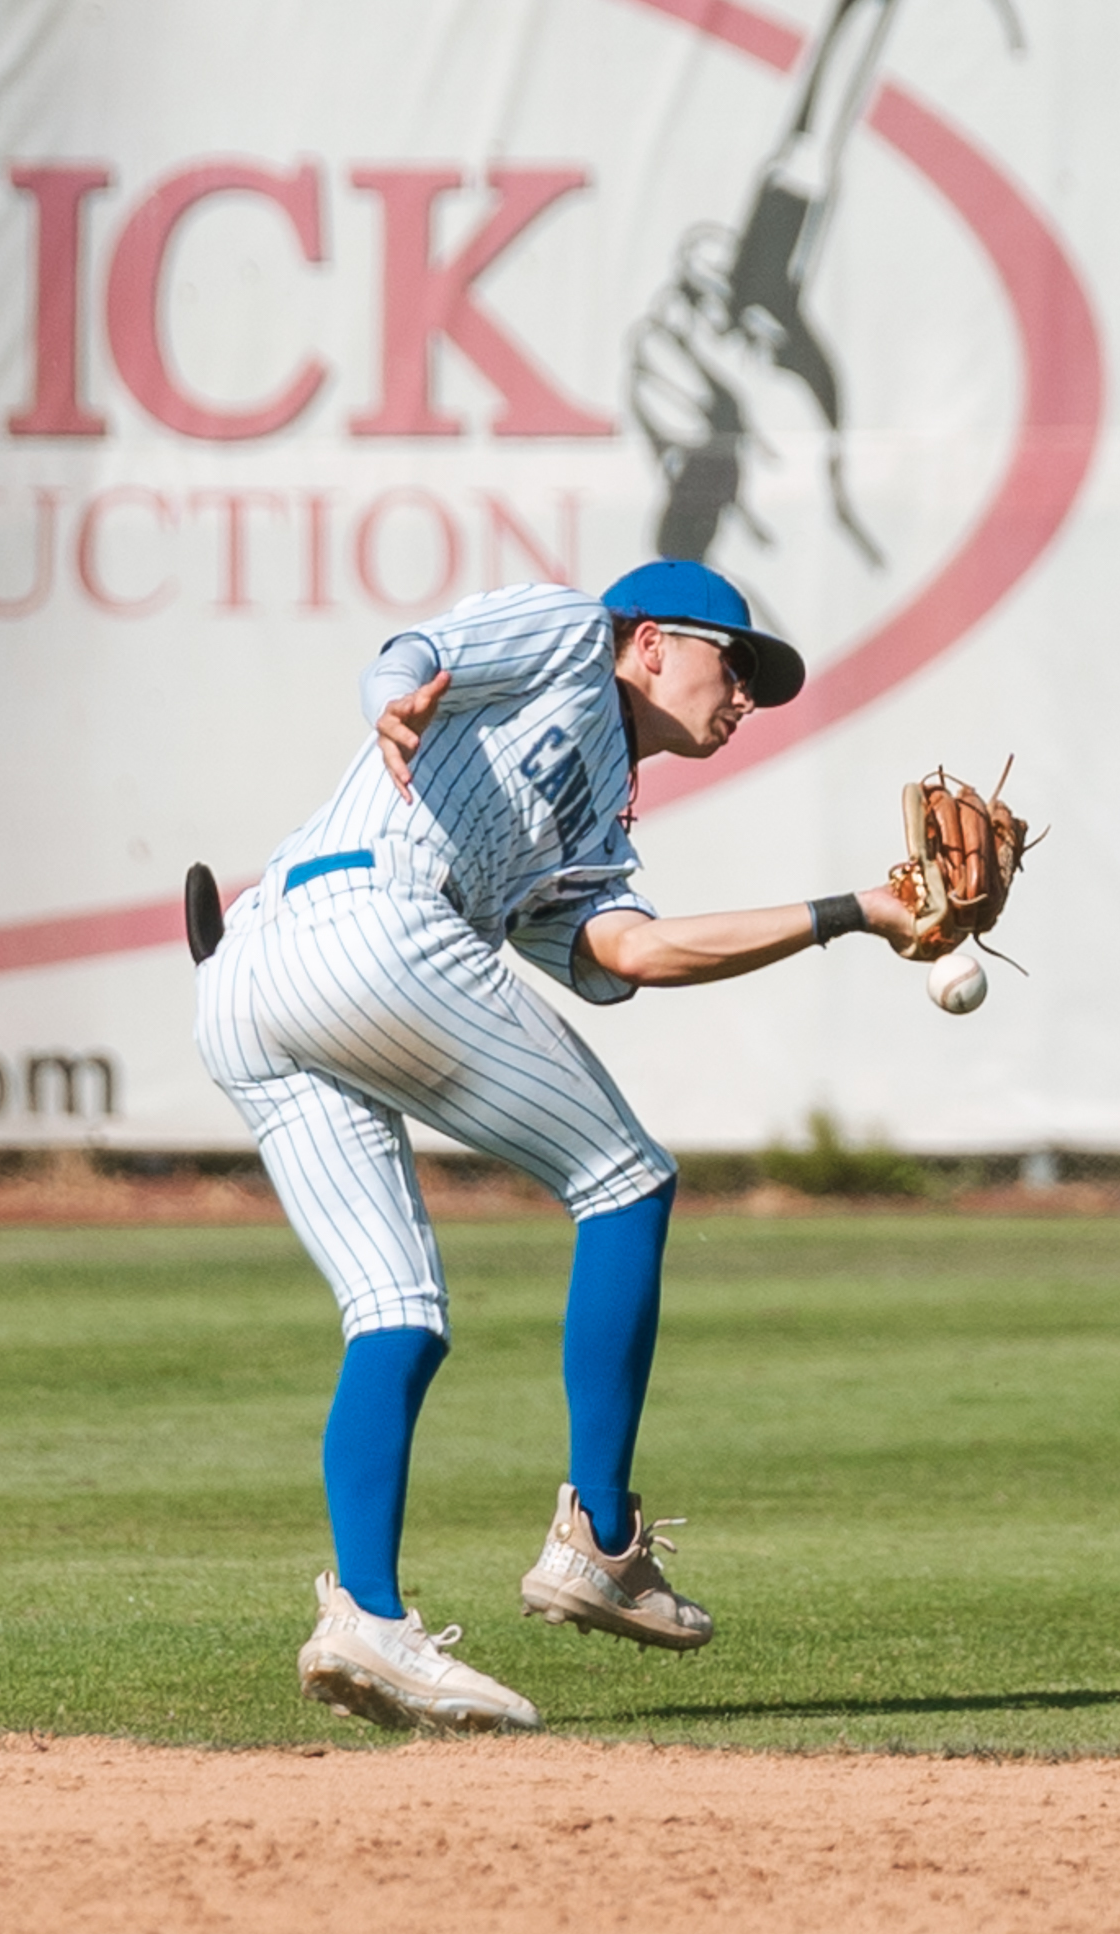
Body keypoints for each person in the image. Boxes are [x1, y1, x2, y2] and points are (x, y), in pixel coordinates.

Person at [194, 558, 916, 1731]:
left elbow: (634, 953)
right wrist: (401, 692)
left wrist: (853, 912)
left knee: (395, 1312)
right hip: (371, 924)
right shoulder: (578, 633)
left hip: (249, 976)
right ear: (650, 644)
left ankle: (364, 1618)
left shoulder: (594, 815)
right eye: (732, 665)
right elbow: (420, 650)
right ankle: (600, 1536)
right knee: (626, 1180)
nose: (745, 698)